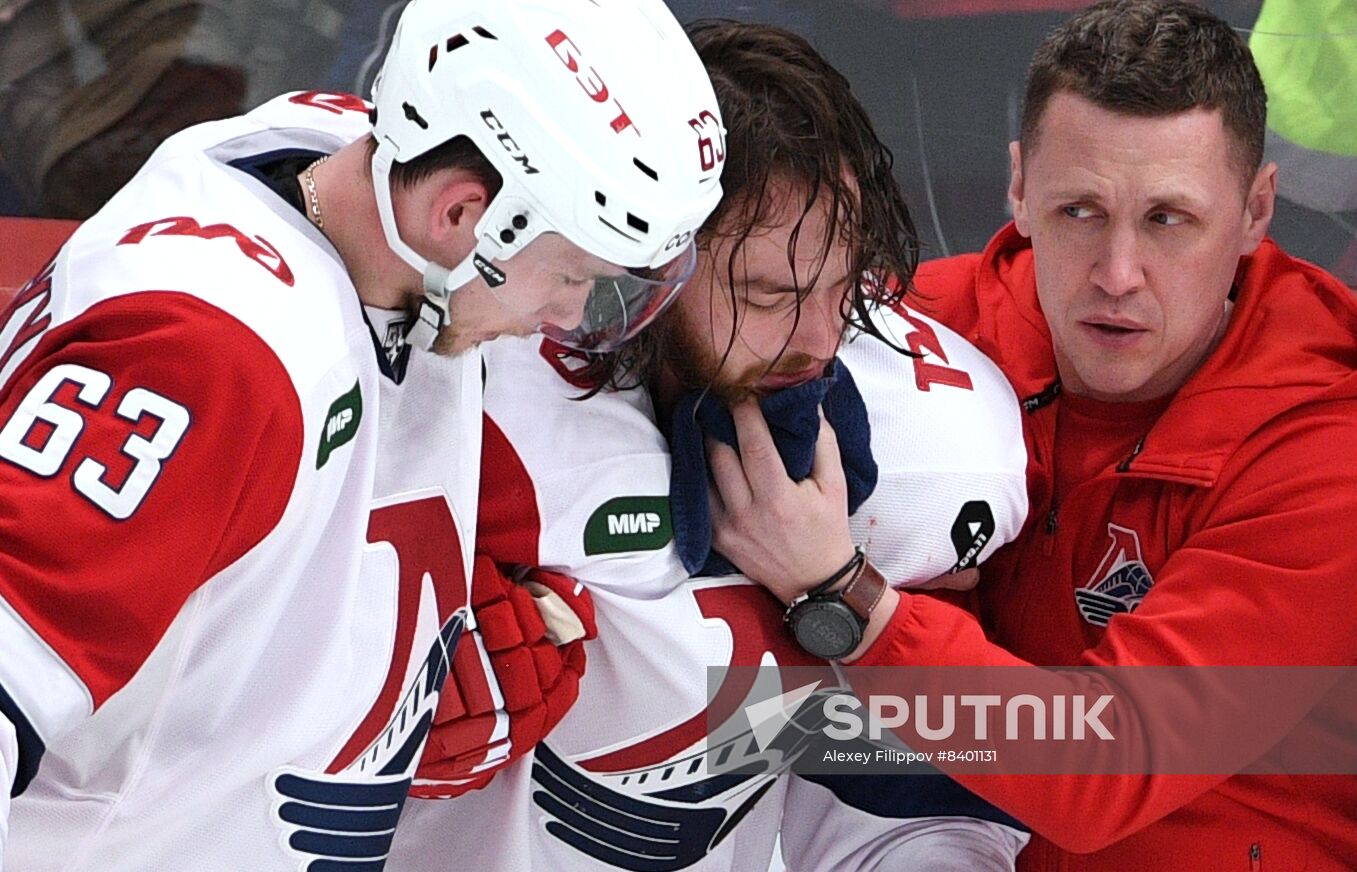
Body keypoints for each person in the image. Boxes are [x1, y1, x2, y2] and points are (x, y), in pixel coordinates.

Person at [0, 0, 725, 868]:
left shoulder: (352, 167)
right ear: (462, 216)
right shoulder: (209, 359)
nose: (566, 318)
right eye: (573, 277)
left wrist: (402, 673)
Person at [715, 1, 1357, 869]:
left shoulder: (1325, 454)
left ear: (1254, 210)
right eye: (1079, 211)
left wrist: (844, 595)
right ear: (1018, 188)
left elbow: (1103, 764)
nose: (1116, 276)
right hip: (950, 832)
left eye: (1169, 219)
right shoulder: (918, 332)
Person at [387, 20, 1031, 872]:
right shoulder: (472, 387)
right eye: (767, 293)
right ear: (646, 258)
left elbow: (922, 777)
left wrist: (851, 601)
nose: (817, 338)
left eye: (845, 288)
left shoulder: (940, 455)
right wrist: (380, 661)